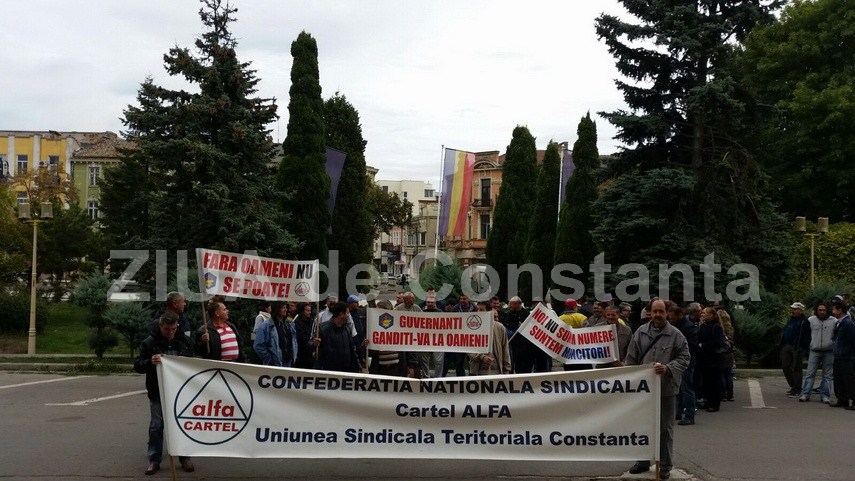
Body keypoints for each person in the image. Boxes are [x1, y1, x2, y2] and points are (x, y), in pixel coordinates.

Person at [624, 299, 690, 479]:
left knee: (665, 429)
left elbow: (685, 358)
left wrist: (668, 368)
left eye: (661, 311)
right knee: (642, 427)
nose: (658, 315)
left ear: (667, 313)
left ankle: (665, 465)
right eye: (655, 311)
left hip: (666, 390)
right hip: (644, 392)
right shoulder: (640, 332)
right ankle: (643, 461)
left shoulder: (676, 335)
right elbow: (631, 358)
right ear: (649, 313)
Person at [133, 312, 194, 475]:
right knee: (156, 425)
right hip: (157, 390)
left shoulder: (184, 341)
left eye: (174, 329)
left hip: (180, 391)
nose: (171, 332)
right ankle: (154, 459)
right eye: (167, 329)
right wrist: (149, 362)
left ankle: (185, 456)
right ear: (160, 326)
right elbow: (137, 365)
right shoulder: (149, 343)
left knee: (182, 423)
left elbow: (191, 362)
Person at [369, 300, 417, 376]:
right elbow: (369, 353)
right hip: (379, 370)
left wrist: (411, 365)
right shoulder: (373, 327)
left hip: (397, 369)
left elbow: (409, 346)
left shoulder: (400, 326)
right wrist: (367, 344)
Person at [800, 301, 835, 403]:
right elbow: (806, 334)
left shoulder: (833, 321)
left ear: (827, 310)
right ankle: (806, 394)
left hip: (828, 351)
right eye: (820, 310)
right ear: (816, 311)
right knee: (810, 373)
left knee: (827, 375)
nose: (822, 312)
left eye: (824, 310)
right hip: (814, 350)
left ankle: (825, 395)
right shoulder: (811, 320)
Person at [669, 303, 699, 425]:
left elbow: (693, 345)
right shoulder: (677, 326)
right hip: (678, 360)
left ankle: (689, 415)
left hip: (686, 361)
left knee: (686, 388)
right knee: (680, 388)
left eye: (673, 317)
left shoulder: (688, 327)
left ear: (680, 315)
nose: (671, 320)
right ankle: (678, 412)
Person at [313, 301, 360, 373]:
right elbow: (311, 345)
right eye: (347, 313)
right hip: (330, 372)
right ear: (341, 314)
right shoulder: (323, 329)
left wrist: (357, 367)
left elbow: (352, 350)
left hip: (346, 371)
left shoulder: (347, 328)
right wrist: (313, 344)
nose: (349, 315)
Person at [468, 302, 511, 375]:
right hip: (477, 370)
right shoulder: (471, 328)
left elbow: (505, 348)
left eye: (481, 310)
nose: (478, 312)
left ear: (488, 312)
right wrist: (482, 357)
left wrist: (507, 368)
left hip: (496, 370)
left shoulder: (499, 327)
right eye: (477, 309)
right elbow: (468, 348)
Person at [697, 307, 726, 413]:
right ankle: (708, 401)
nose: (702, 314)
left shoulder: (716, 327)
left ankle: (715, 404)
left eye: (704, 313)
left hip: (714, 360)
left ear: (711, 315)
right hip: (704, 359)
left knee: (714, 382)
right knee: (706, 382)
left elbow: (719, 343)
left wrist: (703, 345)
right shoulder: (703, 326)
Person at [780, 302, 811, 397]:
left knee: (796, 368)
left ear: (801, 310)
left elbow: (807, 336)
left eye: (795, 309)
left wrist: (803, 347)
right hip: (787, 345)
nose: (792, 310)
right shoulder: (791, 319)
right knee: (785, 366)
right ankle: (793, 386)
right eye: (792, 309)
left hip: (797, 347)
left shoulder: (804, 321)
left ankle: (797, 388)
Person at [830, 300, 855, 408]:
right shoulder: (839, 322)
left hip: (847, 356)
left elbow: (852, 340)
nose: (833, 311)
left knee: (849, 379)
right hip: (838, 355)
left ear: (840, 310)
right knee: (838, 379)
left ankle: (854, 400)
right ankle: (842, 399)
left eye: (834, 309)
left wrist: (850, 354)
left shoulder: (848, 323)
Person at [422, 297, 445, 377]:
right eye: (428, 302)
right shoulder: (421, 312)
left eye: (432, 302)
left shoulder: (441, 313)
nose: (430, 304)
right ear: (426, 303)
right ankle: (426, 378)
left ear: (435, 303)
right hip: (425, 339)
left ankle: (438, 378)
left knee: (438, 361)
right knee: (424, 360)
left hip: (437, 340)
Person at [346, 295, 368, 369]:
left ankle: (362, 362)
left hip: (361, 339)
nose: (357, 304)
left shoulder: (360, 312)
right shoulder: (347, 314)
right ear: (350, 303)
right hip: (352, 339)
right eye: (355, 302)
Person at [293, 302, 316, 369]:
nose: (309, 312)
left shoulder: (311, 320)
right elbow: (300, 336)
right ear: (302, 311)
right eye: (307, 310)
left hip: (309, 352)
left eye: (310, 310)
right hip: (302, 352)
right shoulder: (297, 322)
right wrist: (311, 339)